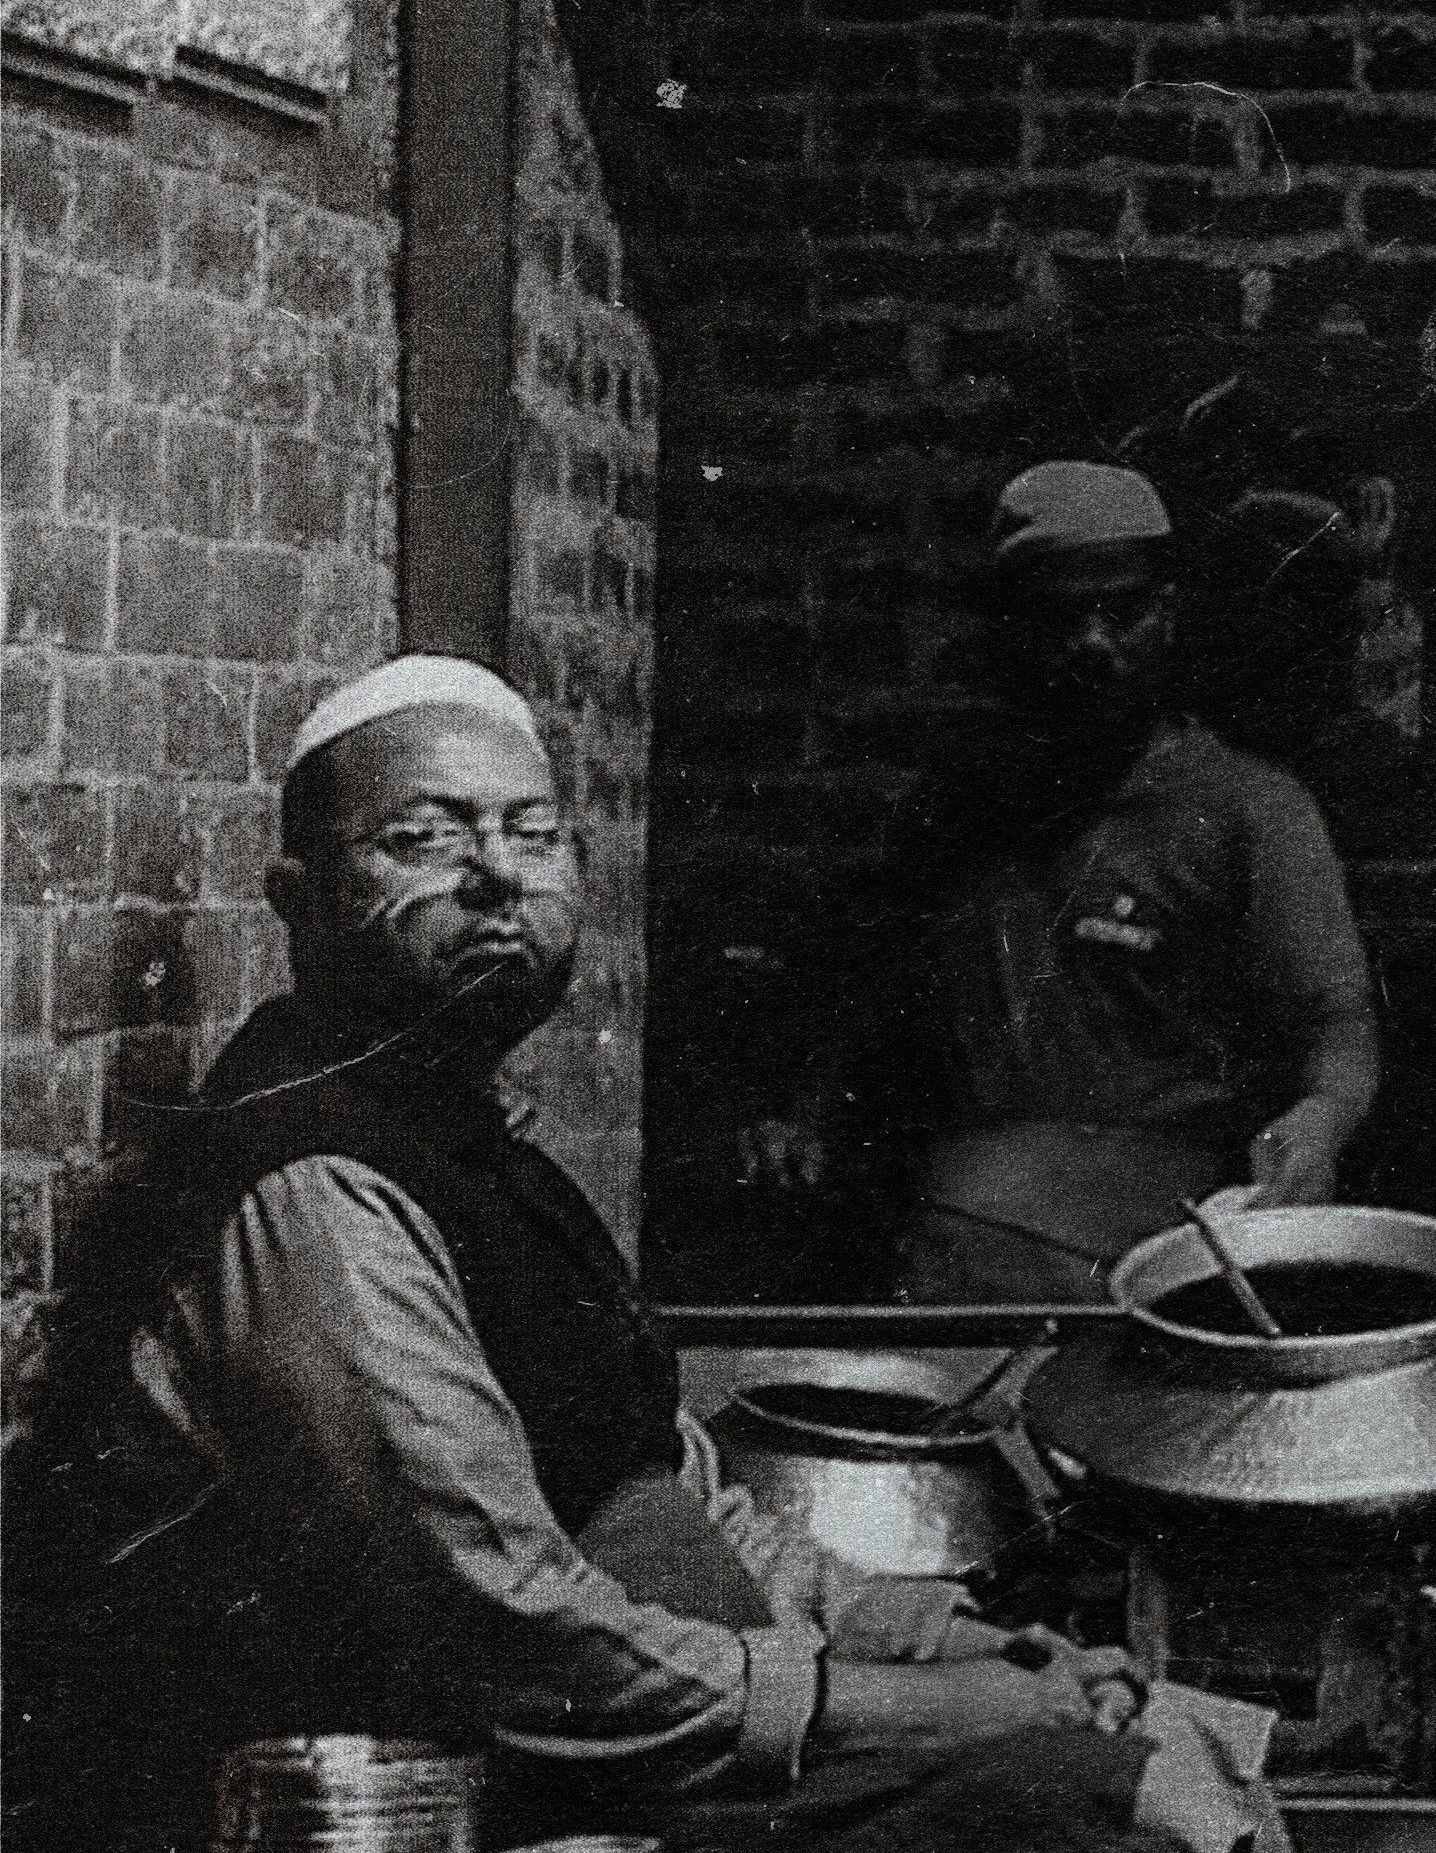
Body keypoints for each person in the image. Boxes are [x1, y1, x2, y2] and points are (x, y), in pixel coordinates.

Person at [1, 657, 1275, 1853]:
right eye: (423, 840)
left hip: (622, 1736)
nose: (496, 875)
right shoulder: (313, 1187)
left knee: (1171, 1731)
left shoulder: (477, 1149)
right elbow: (504, 1630)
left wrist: (957, 1647)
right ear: (297, 902)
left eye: (532, 833)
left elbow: (680, 1506)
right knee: (1112, 1808)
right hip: (440, 1790)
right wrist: (907, 1708)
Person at [742, 462, 1380, 1301]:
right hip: (961, 1248)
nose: (1092, 642)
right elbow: (866, 979)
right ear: (1007, 628)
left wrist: (1320, 1122)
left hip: (1160, 1242)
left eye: (1124, 610)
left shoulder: (1247, 811)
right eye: (1058, 616)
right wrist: (804, 1114)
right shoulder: (957, 809)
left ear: (1170, 613)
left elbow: (1336, 1018)